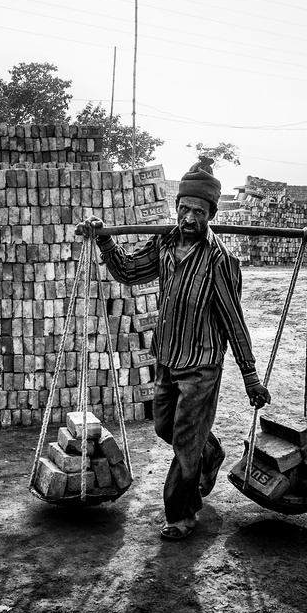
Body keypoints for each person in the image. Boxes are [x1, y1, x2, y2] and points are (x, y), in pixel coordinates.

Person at [75, 157, 271, 541]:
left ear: (211, 214)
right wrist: (104, 239)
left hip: (202, 363)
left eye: (198, 211)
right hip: (166, 356)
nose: (188, 218)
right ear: (176, 206)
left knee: (183, 441)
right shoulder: (164, 243)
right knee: (165, 425)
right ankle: (209, 453)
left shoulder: (219, 260)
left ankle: (181, 513)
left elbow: (234, 320)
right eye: (183, 208)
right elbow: (129, 272)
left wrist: (250, 375)